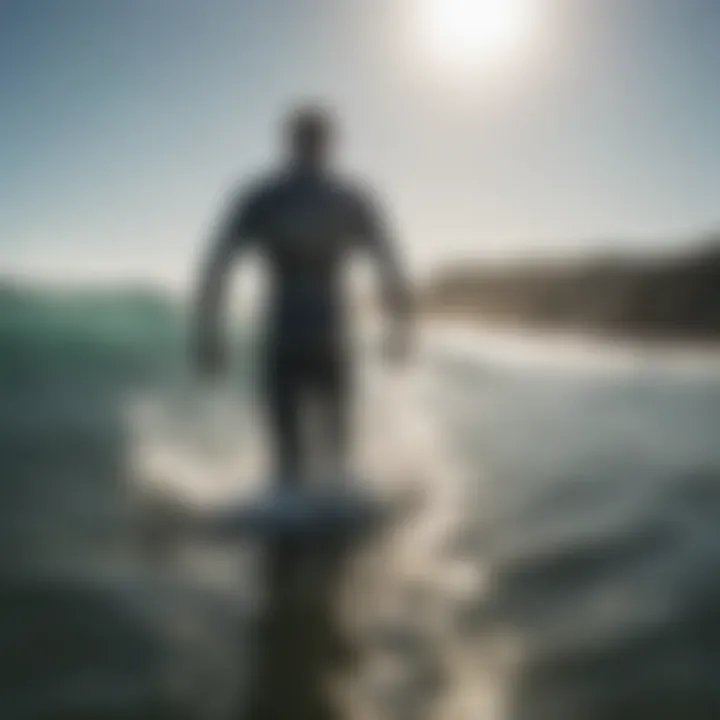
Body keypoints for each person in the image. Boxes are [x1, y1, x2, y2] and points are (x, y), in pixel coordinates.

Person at [193, 105, 411, 486]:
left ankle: (299, 517)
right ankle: (329, 518)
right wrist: (400, 328)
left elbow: (218, 264)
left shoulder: (267, 197)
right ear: (328, 144)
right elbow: (388, 265)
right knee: (330, 453)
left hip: (299, 338)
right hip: (316, 337)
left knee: (299, 458)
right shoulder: (343, 198)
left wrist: (209, 333)